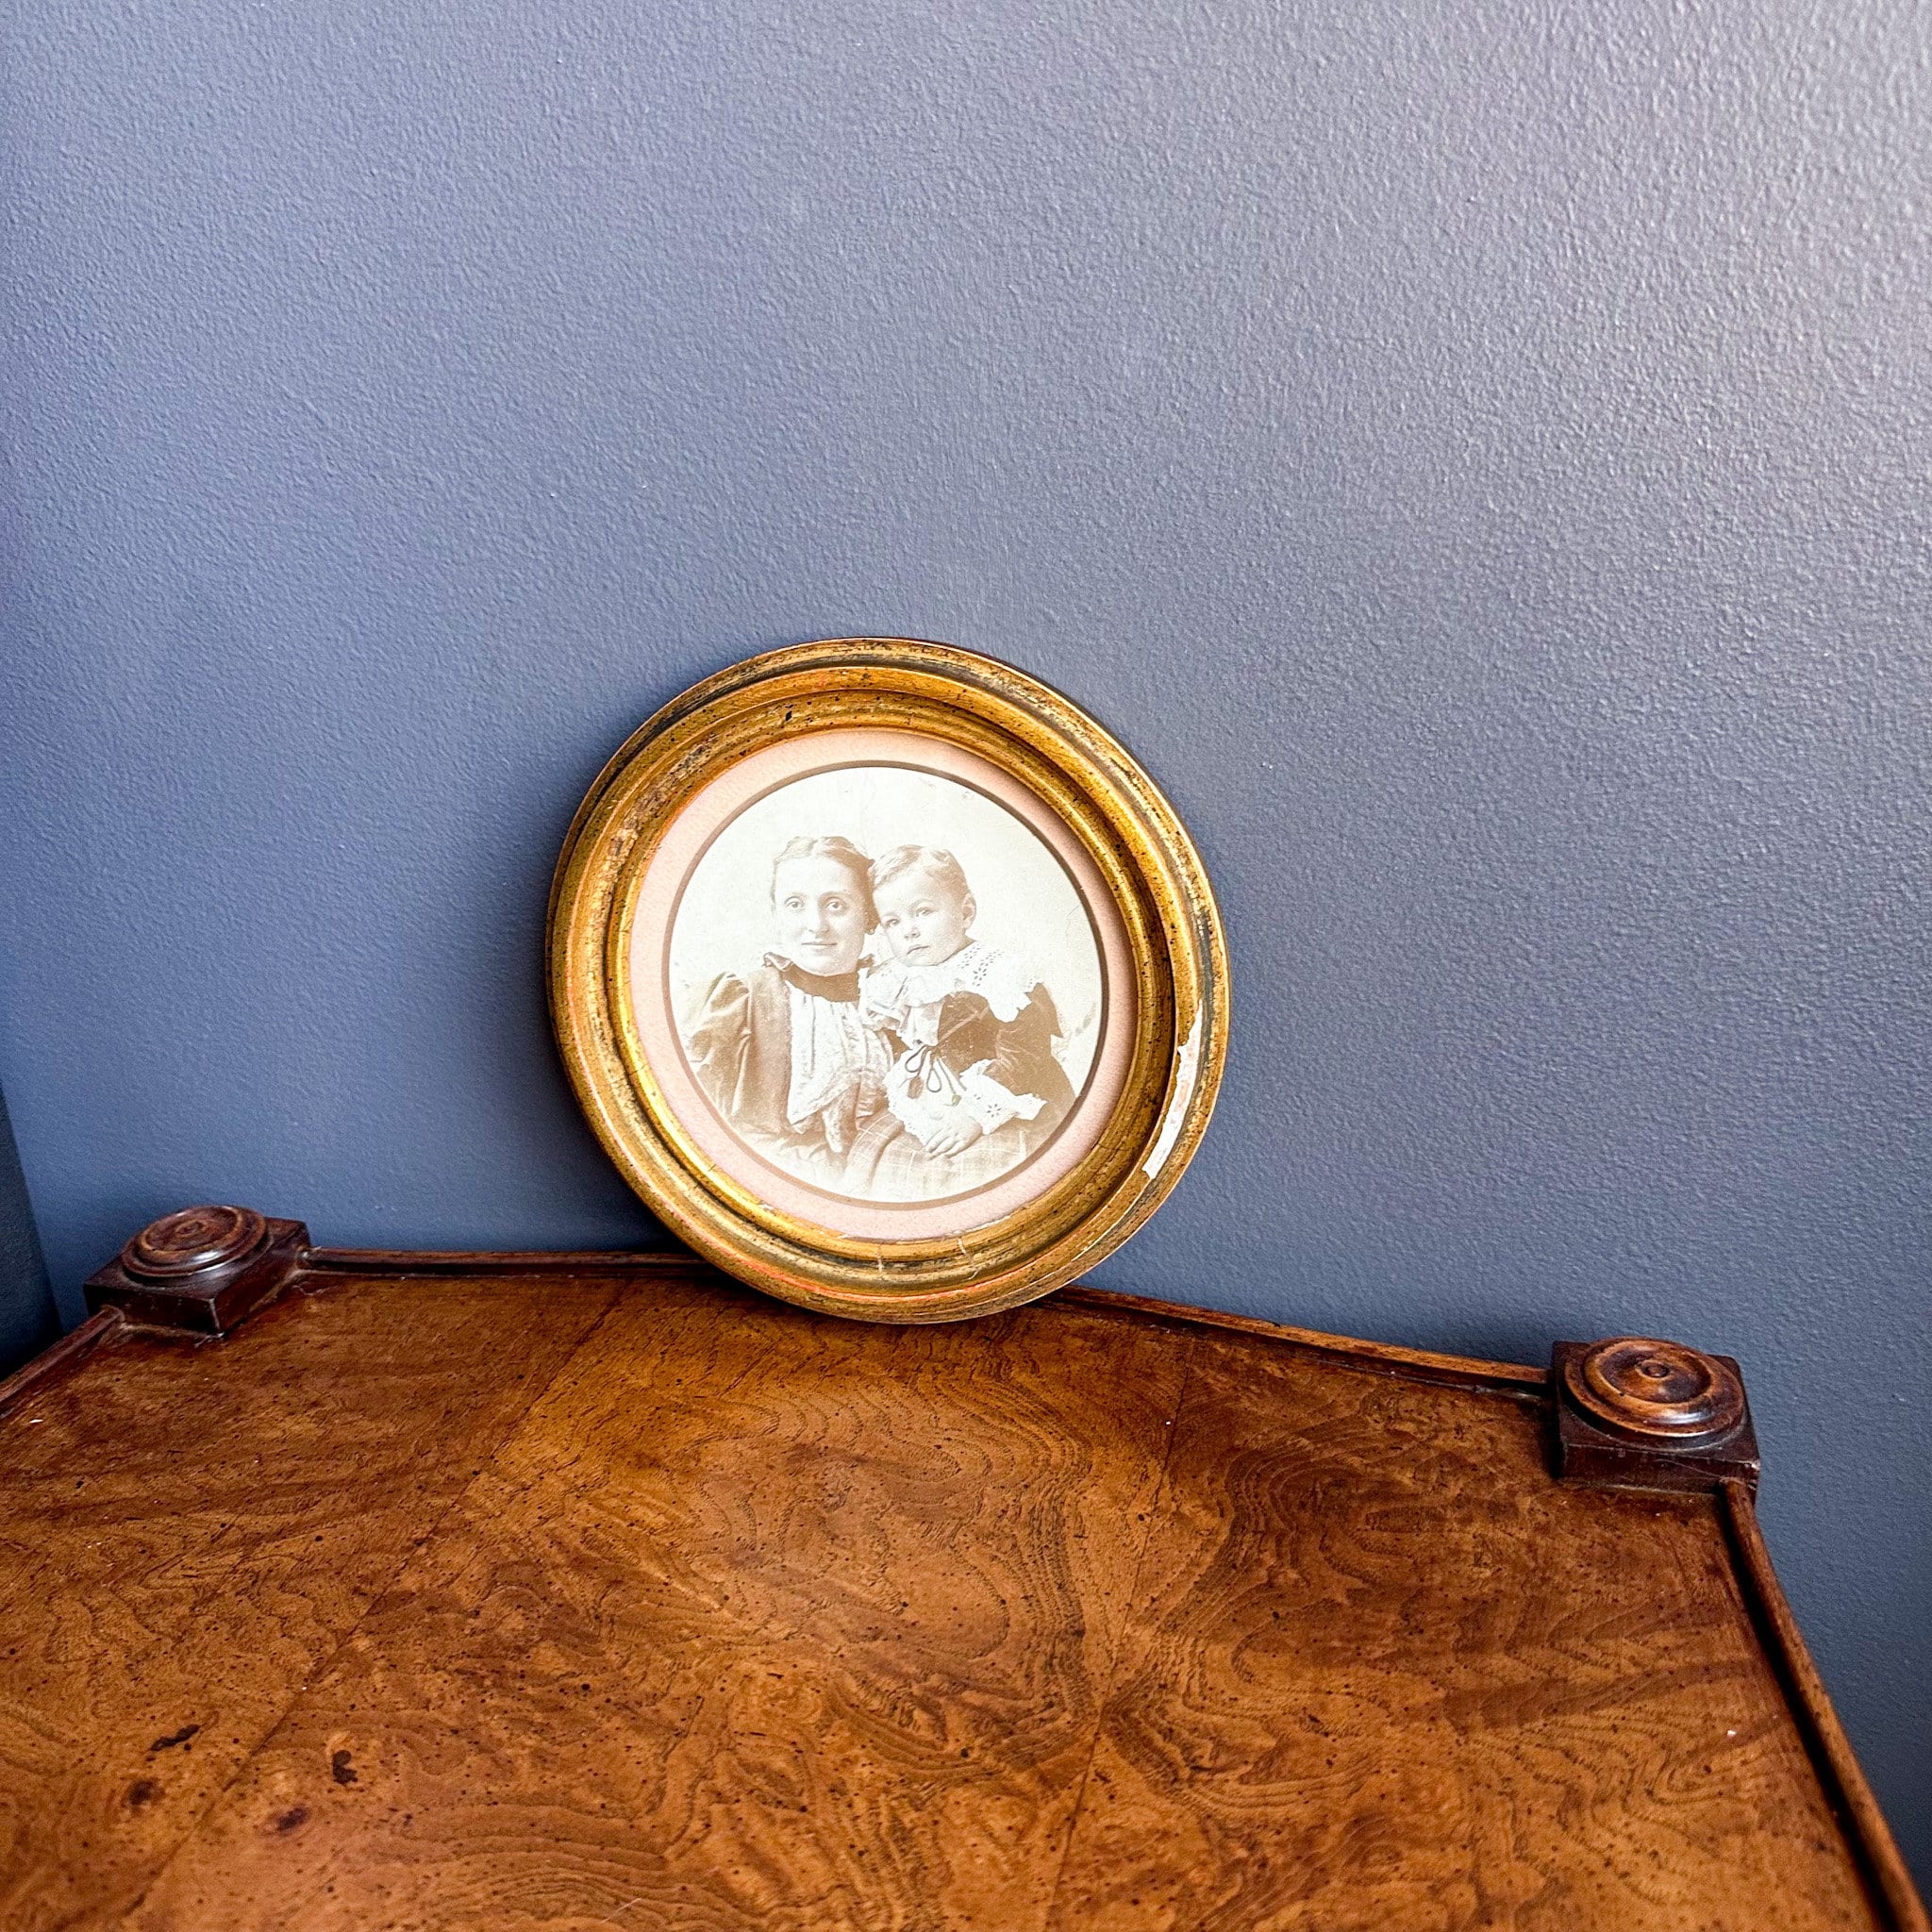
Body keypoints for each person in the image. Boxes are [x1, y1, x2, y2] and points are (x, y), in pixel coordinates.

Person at [847, 844, 1074, 1200]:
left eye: (923, 912)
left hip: (1006, 1097)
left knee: (979, 1173)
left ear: (966, 912)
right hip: (932, 1097)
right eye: (893, 921)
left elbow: (1025, 1055)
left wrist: (974, 1116)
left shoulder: (999, 973)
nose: (909, 931)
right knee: (875, 1156)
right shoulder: (897, 979)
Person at [679, 835, 891, 1184]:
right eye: (795, 904)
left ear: (869, 915)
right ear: (775, 913)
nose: (816, 924)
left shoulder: (902, 1002)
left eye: (835, 905)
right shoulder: (738, 1002)